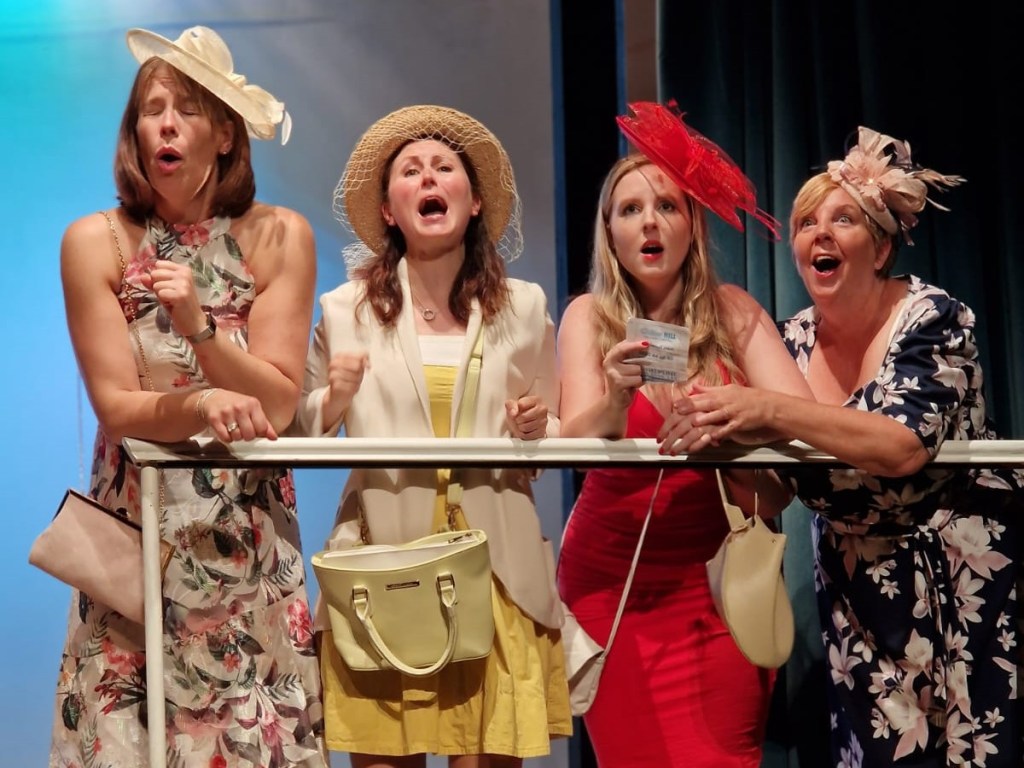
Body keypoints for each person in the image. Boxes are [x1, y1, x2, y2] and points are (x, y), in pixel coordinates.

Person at [670, 126, 1024, 766]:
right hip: (860, 603)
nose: (820, 235)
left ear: (882, 247)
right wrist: (722, 440)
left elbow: (902, 447)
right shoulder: (788, 345)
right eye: (806, 223)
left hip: (966, 587)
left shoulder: (933, 318)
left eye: (843, 219)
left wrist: (769, 410)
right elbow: (774, 495)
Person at [52, 26, 325, 767]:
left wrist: (201, 331)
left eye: (188, 109)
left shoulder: (280, 235)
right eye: (151, 110)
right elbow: (116, 406)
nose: (165, 126)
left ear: (227, 135)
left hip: (247, 538)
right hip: (137, 537)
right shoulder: (97, 241)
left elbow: (277, 404)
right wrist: (202, 405)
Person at [295, 104, 570, 766]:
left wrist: (539, 426)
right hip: (384, 569)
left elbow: (555, 431)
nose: (427, 178)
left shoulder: (525, 307)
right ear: (389, 210)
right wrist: (334, 397)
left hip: (497, 572)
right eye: (410, 170)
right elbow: (296, 425)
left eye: (444, 168)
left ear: (473, 202)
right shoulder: (345, 310)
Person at [555, 102, 814, 768]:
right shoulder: (588, 317)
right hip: (610, 586)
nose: (650, 221)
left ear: (692, 225)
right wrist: (617, 396)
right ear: (609, 233)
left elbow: (801, 446)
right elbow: (578, 444)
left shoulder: (735, 313)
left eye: (667, 206)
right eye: (630, 209)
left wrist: (735, 424)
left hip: (719, 590)